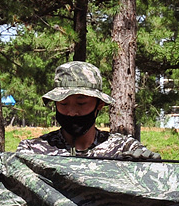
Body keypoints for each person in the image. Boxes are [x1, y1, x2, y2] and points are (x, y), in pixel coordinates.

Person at [17, 60, 161, 161]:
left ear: (99, 105)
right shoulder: (33, 150)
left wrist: (149, 167)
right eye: (63, 103)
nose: (72, 112)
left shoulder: (123, 149)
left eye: (81, 103)